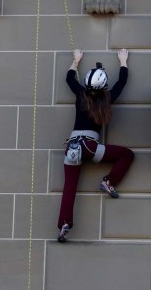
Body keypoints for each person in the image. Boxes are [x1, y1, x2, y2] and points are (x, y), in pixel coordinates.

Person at [57, 48, 135, 243]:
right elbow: (121, 83)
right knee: (126, 155)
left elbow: (69, 79)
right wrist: (123, 61)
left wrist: (76, 60)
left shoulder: (81, 95)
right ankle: (108, 182)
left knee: (69, 188)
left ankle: (64, 225)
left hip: (72, 148)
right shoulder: (107, 99)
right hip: (90, 147)